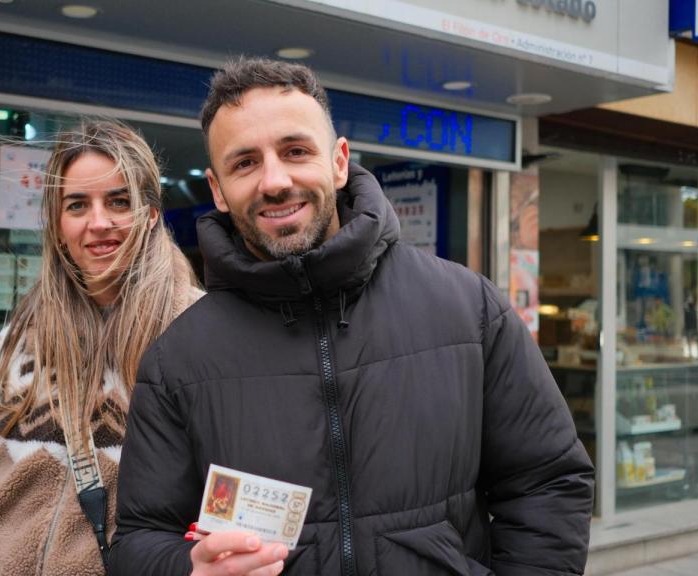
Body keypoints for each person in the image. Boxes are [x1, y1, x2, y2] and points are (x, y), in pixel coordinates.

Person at [111, 59, 594, 576]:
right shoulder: (178, 358)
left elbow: (548, 485)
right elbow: (139, 541)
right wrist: (189, 569)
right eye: (244, 163)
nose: (274, 181)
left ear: (339, 161)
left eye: (296, 151)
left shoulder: (468, 310)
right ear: (218, 190)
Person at [0, 120, 203, 575]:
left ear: (151, 213)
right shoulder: (15, 341)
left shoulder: (200, 337)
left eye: (118, 201)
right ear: (57, 224)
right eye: (77, 204)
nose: (98, 222)